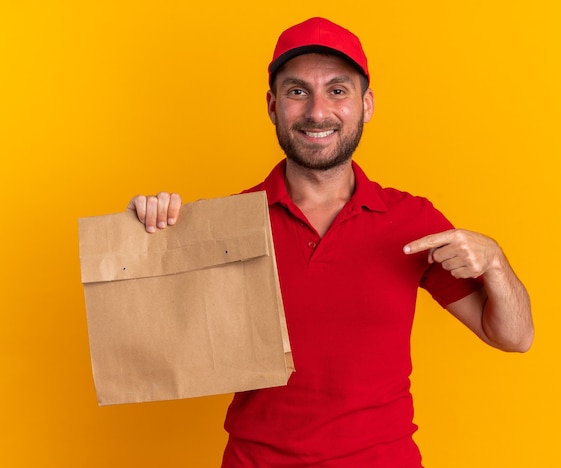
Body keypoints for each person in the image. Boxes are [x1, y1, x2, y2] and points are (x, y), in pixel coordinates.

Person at [128, 17, 534, 468]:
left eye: (337, 91)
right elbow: (157, 341)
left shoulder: (412, 221)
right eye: (297, 91)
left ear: (367, 104)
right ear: (272, 106)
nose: (317, 112)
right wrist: (152, 234)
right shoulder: (226, 224)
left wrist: (495, 261)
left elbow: (514, 337)